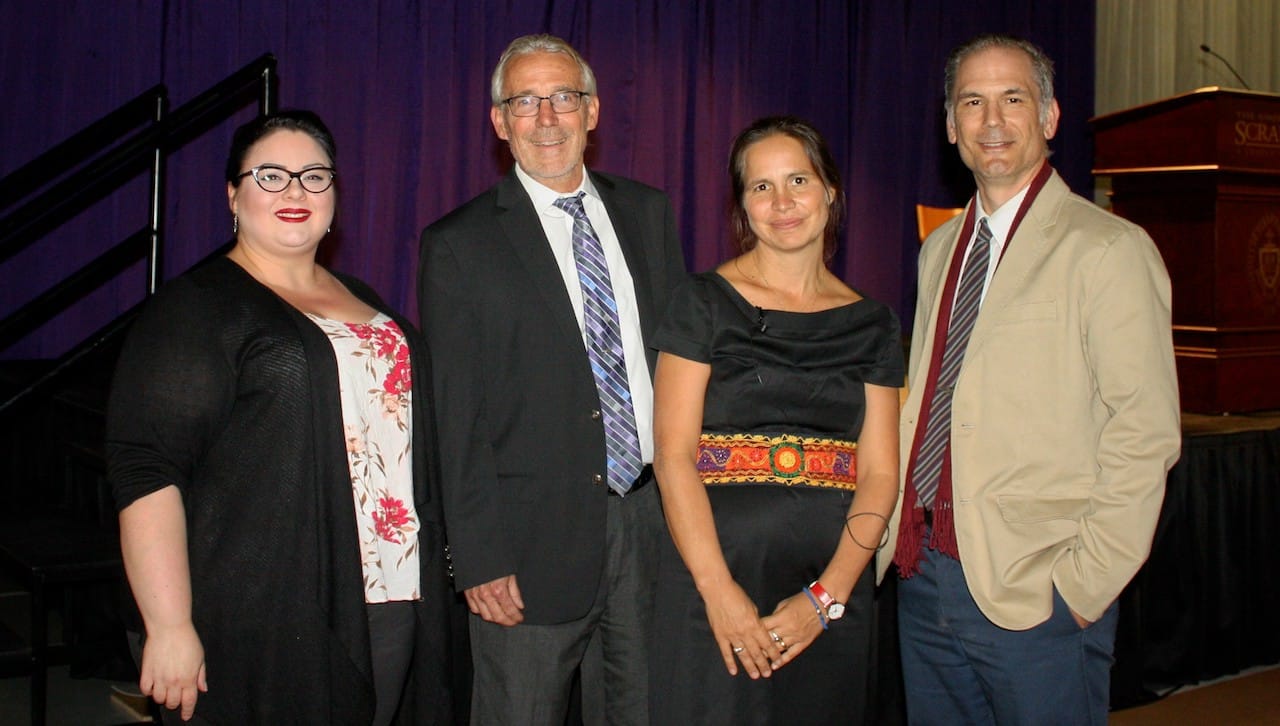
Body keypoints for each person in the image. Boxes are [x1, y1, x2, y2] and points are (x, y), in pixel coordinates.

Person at [106, 110, 454, 725]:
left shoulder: (365, 299)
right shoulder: (197, 308)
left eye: (314, 176)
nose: (296, 191)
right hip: (262, 611)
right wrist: (169, 625)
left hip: (389, 594)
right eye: (271, 176)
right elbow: (148, 470)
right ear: (232, 195)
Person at [882, 34, 1181, 724]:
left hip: (1034, 597)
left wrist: (1080, 587)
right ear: (950, 125)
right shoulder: (938, 251)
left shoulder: (1108, 249)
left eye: (1013, 99)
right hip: (925, 583)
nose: (992, 122)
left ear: (1048, 117)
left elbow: (1145, 434)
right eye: (972, 103)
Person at [417, 34, 686, 725]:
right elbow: (456, 414)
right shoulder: (459, 244)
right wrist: (476, 556)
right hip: (526, 548)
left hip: (652, 524)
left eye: (563, 97)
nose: (546, 118)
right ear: (499, 122)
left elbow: (680, 369)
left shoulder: (648, 215)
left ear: (592, 112)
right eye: (525, 101)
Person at [649, 116, 903, 724]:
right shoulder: (701, 302)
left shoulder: (874, 323)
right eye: (760, 187)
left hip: (830, 594)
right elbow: (673, 454)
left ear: (831, 192)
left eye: (798, 181)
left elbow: (880, 475)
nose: (782, 203)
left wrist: (829, 596)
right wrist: (720, 593)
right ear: (741, 205)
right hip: (711, 591)